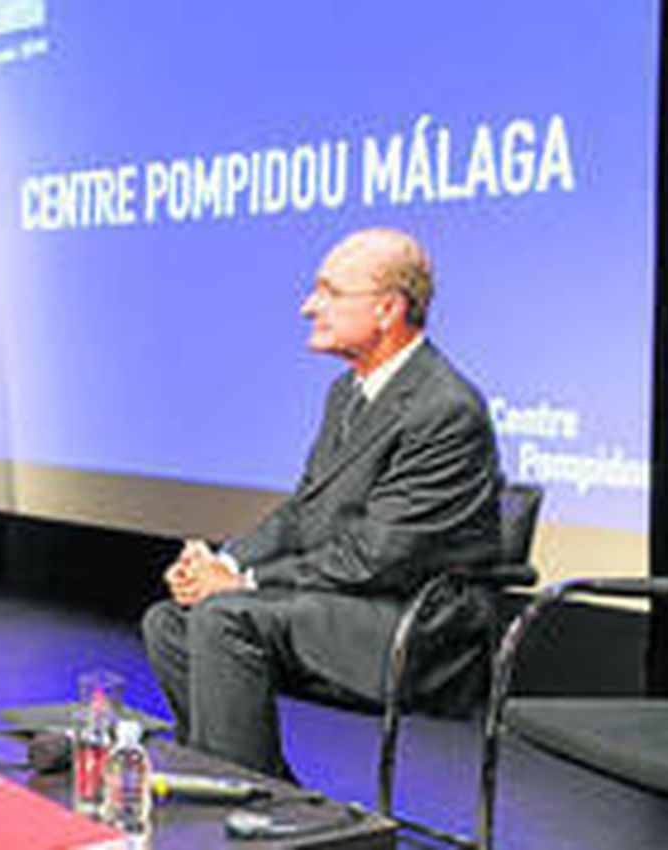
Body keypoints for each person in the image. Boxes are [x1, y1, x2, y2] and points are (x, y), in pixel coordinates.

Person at [140, 228, 501, 778]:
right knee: (170, 622)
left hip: (416, 627)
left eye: (329, 291)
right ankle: (260, 795)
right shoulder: (347, 393)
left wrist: (247, 586)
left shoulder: (443, 407)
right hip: (350, 603)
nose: (310, 305)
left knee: (224, 616)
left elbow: (378, 556)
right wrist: (225, 562)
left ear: (386, 308)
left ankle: (255, 806)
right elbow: (304, 512)